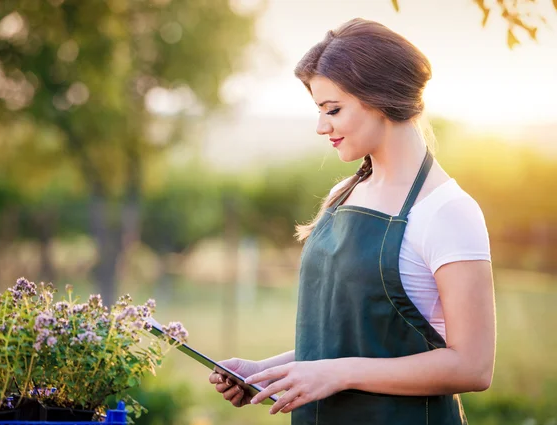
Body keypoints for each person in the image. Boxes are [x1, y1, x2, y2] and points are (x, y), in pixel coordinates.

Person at [208, 17, 495, 425]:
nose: (321, 127)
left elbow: (473, 367)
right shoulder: (342, 194)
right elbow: (347, 343)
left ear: (379, 97)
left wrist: (336, 373)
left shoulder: (448, 212)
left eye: (333, 110)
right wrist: (266, 371)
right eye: (319, 110)